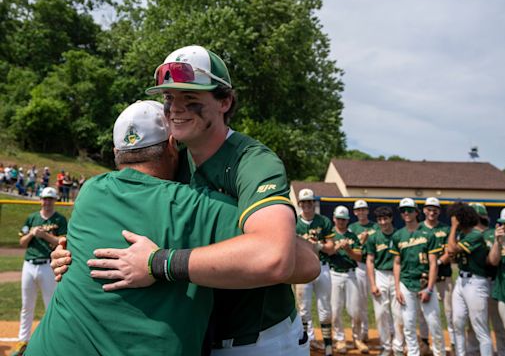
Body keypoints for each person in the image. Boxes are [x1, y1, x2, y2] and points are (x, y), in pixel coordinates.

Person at [51, 45, 318, 355]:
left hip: (257, 340)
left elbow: (277, 256)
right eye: (169, 98)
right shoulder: (172, 160)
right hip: (197, 338)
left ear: (225, 101)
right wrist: (71, 255)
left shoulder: (253, 162)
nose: (175, 109)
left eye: (190, 99)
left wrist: (158, 263)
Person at [25, 101, 249, 355]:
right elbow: (287, 254)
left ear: (116, 152)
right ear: (172, 145)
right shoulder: (202, 206)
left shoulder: (90, 192)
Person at [11, 187, 67, 356]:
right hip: (29, 265)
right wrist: (31, 235)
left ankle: (53, 342)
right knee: (26, 305)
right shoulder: (32, 218)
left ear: (55, 200)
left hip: (48, 265)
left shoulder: (60, 219)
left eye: (50, 199)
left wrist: (45, 236)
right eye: (44, 198)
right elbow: (22, 242)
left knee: (51, 305)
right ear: (40, 199)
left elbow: (63, 241)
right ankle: (23, 341)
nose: (47, 201)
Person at [390, 198, 445, 356]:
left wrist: (429, 288)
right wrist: (397, 288)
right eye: (403, 210)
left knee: (434, 323)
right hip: (406, 283)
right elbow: (397, 263)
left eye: (409, 209)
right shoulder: (398, 235)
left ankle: (439, 353)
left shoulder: (428, 233)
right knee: (408, 324)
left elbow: (433, 264)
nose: (406, 213)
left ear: (416, 212)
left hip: (425, 284)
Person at [447, 202, 493, 356]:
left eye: (456, 218)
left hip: (476, 283)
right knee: (458, 322)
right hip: (461, 281)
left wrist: (453, 227)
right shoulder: (463, 235)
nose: (454, 221)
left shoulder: (475, 235)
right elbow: (453, 256)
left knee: (480, 328)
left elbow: (452, 248)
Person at [294, 188, 335, 356]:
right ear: (299, 204)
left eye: (310, 201)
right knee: (303, 309)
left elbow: (331, 248)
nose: (307, 205)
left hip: (322, 266)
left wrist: (318, 246)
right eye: (304, 202)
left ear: (314, 203)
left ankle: (328, 346)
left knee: (325, 308)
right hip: (302, 269)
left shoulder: (323, 221)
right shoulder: (294, 222)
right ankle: (308, 342)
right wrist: (305, 244)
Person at [467, 203, 505, 356]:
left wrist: (502, 243)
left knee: (503, 328)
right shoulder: (468, 236)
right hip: (490, 288)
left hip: (501, 286)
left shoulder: (500, 238)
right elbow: (491, 261)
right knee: (480, 325)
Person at [329, 205, 369, 354]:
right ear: (334, 219)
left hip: (352, 273)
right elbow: (327, 253)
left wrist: (348, 250)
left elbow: (359, 257)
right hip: (335, 274)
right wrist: (337, 247)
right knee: (335, 309)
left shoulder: (352, 235)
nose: (341, 222)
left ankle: (357, 338)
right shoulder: (330, 234)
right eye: (339, 219)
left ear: (347, 220)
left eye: (344, 219)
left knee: (355, 310)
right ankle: (340, 339)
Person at [366, 206, 405, 356]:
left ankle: (399, 347)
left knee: (398, 312)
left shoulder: (400, 235)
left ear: (391, 218)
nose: (383, 222)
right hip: (380, 274)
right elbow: (370, 260)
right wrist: (373, 283)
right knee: (381, 312)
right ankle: (386, 346)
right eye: (380, 219)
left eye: (385, 218)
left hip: (397, 275)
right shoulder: (374, 237)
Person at [417, 197, 453, 354]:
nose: (432, 212)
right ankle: (424, 343)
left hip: (443, 277)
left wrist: (435, 265)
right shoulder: (417, 229)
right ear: (424, 210)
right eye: (429, 209)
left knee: (450, 313)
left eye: (435, 209)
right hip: (423, 278)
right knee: (423, 313)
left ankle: (453, 344)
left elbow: (450, 253)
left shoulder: (445, 230)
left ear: (439, 211)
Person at [348, 199, 379, 341]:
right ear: (354, 212)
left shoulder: (376, 226)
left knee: (379, 301)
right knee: (360, 302)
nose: (361, 212)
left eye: (363, 209)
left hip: (375, 266)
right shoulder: (352, 228)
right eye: (358, 210)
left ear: (367, 210)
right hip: (359, 266)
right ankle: (361, 333)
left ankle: (384, 333)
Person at [489, 207, 505, 353]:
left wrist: (504, 244)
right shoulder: (500, 241)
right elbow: (493, 261)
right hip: (504, 293)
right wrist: (497, 243)